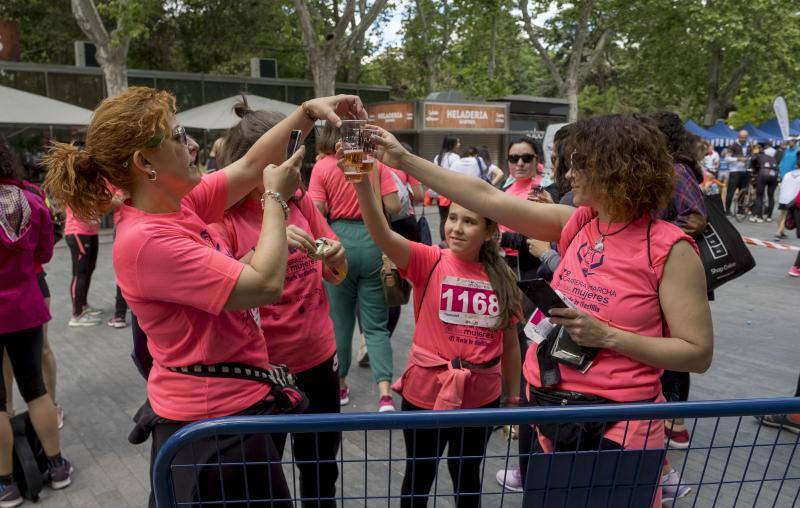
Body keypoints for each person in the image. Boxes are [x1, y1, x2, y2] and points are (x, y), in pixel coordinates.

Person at [365, 114, 714, 505]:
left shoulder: (670, 249)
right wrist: (402, 159)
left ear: (616, 169)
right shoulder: (581, 222)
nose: (568, 173)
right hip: (545, 412)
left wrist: (608, 336)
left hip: (615, 423)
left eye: (581, 162)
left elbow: (697, 353)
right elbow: (488, 199)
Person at [42, 86, 365, 506]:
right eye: (177, 136)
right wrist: (273, 198)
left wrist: (307, 113)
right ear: (145, 164)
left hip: (236, 411)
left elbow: (251, 163)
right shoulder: (147, 240)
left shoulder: (178, 204)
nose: (191, 144)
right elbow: (264, 285)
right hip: (213, 424)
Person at [340, 149, 521, 508]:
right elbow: (382, 234)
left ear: (489, 231)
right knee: (418, 478)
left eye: (469, 221)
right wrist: (363, 187)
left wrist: (513, 401)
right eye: (452, 218)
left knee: (468, 478)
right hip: (425, 396)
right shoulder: (430, 259)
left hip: (481, 400)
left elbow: (511, 345)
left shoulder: (503, 278)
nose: (455, 228)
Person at [209, 102, 346, 507]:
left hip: (319, 359)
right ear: (248, 163)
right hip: (261, 371)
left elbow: (336, 273)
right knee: (261, 478)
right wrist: (267, 246)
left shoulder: (300, 201)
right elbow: (221, 287)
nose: (289, 173)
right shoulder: (224, 217)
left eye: (292, 161)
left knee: (321, 468)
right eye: (277, 163)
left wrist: (336, 258)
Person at [308, 122, 401, 411]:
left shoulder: (323, 168)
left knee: (340, 320)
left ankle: (342, 384)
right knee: (376, 325)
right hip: (375, 241)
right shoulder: (376, 165)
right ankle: (385, 392)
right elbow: (395, 206)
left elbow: (317, 212)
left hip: (339, 244)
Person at [1, 135, 72, 506]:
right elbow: (45, 251)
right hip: (26, 305)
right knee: (36, 390)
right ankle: (57, 467)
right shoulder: (29, 200)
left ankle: (5, 484)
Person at [498, 136, 545, 280]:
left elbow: (541, 235)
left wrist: (503, 238)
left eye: (526, 158)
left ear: (536, 160)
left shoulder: (542, 189)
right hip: (501, 261)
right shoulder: (505, 186)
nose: (520, 163)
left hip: (529, 268)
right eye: (513, 158)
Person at [64, 203, 101, 327]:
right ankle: (76, 314)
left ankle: (83, 305)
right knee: (80, 273)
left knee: (89, 270)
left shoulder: (95, 183)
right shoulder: (75, 184)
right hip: (77, 231)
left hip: (91, 231)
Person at [433, 136, 461, 241]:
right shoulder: (455, 158)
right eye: (458, 142)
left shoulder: (438, 157)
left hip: (440, 193)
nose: (459, 144)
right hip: (451, 194)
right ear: (452, 144)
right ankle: (450, 240)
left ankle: (443, 241)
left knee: (443, 219)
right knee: (452, 219)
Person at [751, 144, 779, 223]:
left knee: (759, 196)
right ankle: (769, 217)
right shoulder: (770, 156)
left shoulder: (757, 155)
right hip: (774, 173)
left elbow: (753, 165)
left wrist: (754, 171)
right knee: (771, 196)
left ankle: (759, 217)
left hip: (764, 173)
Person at [725, 130, 751, 215]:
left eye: (745, 137)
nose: (743, 139)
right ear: (738, 136)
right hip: (735, 171)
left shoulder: (749, 145)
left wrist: (749, 160)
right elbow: (727, 158)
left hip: (745, 171)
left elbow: (751, 156)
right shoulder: (733, 145)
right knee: (731, 191)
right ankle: (727, 210)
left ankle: (741, 209)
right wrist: (738, 159)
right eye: (741, 137)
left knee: (743, 191)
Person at [775, 165, 800, 240]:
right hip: (792, 198)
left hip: (783, 196)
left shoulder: (788, 174)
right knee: (787, 215)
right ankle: (779, 232)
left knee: (782, 214)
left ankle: (781, 231)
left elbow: (782, 185)